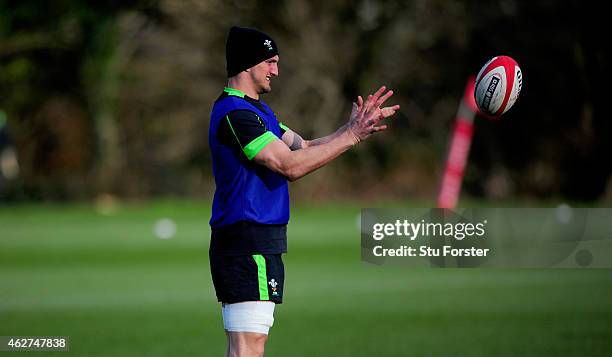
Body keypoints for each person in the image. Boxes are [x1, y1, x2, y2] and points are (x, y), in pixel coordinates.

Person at [208, 26, 399, 357]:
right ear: (247, 63)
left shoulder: (258, 113)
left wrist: (352, 129)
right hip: (246, 240)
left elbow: (305, 146)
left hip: (254, 241)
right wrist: (350, 136)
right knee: (247, 348)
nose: (276, 71)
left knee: (246, 347)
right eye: (270, 62)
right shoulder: (236, 115)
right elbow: (289, 166)